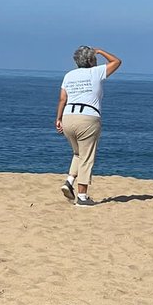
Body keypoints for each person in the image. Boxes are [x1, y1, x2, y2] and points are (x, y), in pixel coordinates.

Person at [55, 46, 122, 205]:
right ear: (91, 60)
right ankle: (82, 197)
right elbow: (117, 61)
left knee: (78, 153)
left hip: (68, 116)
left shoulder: (69, 75)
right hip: (88, 117)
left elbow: (62, 99)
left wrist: (58, 119)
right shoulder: (96, 72)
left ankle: (69, 181)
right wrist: (101, 51)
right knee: (87, 157)